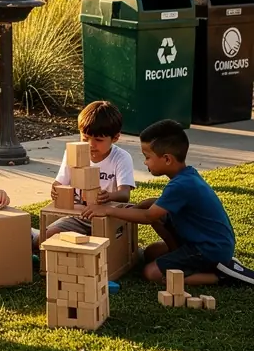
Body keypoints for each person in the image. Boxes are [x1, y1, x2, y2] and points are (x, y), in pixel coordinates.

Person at [82, 118, 254, 287]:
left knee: (152, 273)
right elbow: (156, 208)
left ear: (167, 159)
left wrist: (107, 211)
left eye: (147, 157)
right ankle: (178, 255)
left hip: (209, 249)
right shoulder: (186, 176)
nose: (145, 162)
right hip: (198, 241)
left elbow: (149, 216)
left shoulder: (181, 185)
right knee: (150, 253)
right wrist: (143, 203)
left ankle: (220, 276)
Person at [45, 100, 135, 242]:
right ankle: (34, 241)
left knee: (105, 245)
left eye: (98, 140)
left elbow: (124, 194)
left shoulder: (121, 158)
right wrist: (56, 189)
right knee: (50, 234)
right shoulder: (73, 153)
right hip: (79, 216)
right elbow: (59, 182)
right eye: (85, 138)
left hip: (108, 216)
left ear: (115, 138)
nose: (91, 145)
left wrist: (109, 196)